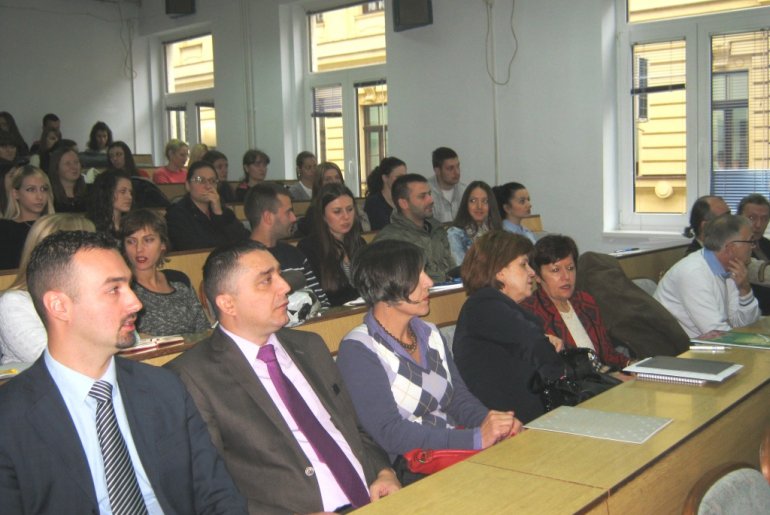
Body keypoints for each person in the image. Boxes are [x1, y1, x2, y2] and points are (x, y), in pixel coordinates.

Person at [0, 230, 247, 513]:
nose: (136, 303)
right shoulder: (10, 419)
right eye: (113, 289)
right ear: (59, 306)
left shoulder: (164, 388)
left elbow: (217, 495)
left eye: (128, 286)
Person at [166, 240, 399, 513]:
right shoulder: (191, 376)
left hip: (375, 499)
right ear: (228, 303)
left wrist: (384, 471)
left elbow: (354, 427)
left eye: (278, 274)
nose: (285, 286)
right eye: (266, 281)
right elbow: (207, 487)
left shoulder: (310, 346)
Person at [336, 240, 522, 465]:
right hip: (411, 466)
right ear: (385, 284)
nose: (429, 282)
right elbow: (389, 433)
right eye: (417, 275)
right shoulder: (359, 349)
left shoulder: (431, 334)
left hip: (455, 453)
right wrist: (473, 438)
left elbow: (458, 400)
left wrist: (494, 424)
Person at [453, 230, 566, 424]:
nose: (532, 272)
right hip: (512, 429)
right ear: (499, 271)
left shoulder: (494, 307)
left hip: (528, 421)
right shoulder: (484, 305)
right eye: (523, 264)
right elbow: (536, 346)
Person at [521, 235, 630, 369]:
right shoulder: (530, 312)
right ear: (537, 276)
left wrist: (632, 365)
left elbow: (608, 354)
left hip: (605, 379)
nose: (566, 277)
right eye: (555, 270)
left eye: (570, 268)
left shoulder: (585, 301)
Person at [1, 213, 96, 365]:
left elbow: (129, 339)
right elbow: (51, 358)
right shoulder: (15, 302)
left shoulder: (92, 293)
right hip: (37, 387)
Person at [655, 214, 760, 338]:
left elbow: (744, 324)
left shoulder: (730, 270)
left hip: (707, 347)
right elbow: (715, 333)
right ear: (731, 248)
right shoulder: (693, 273)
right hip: (678, 352)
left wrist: (745, 289)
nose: (753, 247)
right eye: (750, 241)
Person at [121, 209, 211, 336]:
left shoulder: (179, 281)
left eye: (148, 240)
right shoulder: (123, 289)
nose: (139, 249)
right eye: (131, 241)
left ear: (162, 244)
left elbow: (204, 329)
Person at [244, 182, 330, 307]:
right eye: (288, 212)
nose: (294, 218)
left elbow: (322, 303)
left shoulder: (295, 255)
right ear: (268, 217)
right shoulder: (240, 260)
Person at [373, 174, 455, 282]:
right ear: (404, 203)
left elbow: (451, 268)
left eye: (429, 194)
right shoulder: (390, 239)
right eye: (422, 196)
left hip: (447, 294)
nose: (430, 200)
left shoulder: (437, 230)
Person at [297, 183, 365, 306]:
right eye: (337, 211)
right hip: (333, 316)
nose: (346, 217)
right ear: (323, 215)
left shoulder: (359, 242)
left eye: (350, 209)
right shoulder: (309, 248)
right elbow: (320, 297)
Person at [165, 161, 249, 251]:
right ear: (188, 185)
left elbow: (244, 238)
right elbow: (192, 248)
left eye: (212, 181)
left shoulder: (223, 211)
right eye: (200, 180)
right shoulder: (176, 215)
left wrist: (218, 214)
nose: (208, 186)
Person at [0, 165, 55, 270]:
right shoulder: (4, 229)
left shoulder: (55, 227)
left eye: (44, 189)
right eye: (31, 190)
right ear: (16, 193)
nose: (40, 196)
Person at [446, 180, 502, 264]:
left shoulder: (498, 233)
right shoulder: (454, 234)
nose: (479, 206)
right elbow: (460, 267)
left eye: (485, 201)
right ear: (466, 204)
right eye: (473, 201)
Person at [108, 141, 170, 208]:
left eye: (119, 154)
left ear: (126, 155)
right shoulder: (107, 178)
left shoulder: (142, 174)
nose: (114, 159)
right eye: (111, 156)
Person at [737, 193, 770, 314]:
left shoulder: (766, 244)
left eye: (765, 219)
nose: (758, 225)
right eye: (752, 218)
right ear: (739, 218)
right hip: (755, 314)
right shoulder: (734, 248)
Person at [364, 157, 407, 231]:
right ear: (385, 178)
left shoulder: (406, 200)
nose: (403, 181)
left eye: (405, 177)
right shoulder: (373, 203)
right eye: (398, 177)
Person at [86, 169, 133, 236]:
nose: (130, 197)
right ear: (107, 192)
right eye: (123, 191)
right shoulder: (91, 228)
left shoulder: (132, 225)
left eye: (130, 192)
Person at [429, 147, 466, 223]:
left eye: (458, 166)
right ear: (437, 171)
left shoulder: (465, 191)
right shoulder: (426, 192)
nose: (457, 172)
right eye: (450, 168)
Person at [48, 146, 87, 212]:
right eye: (67, 163)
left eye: (76, 162)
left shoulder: (91, 193)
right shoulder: (49, 195)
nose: (74, 167)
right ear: (56, 168)